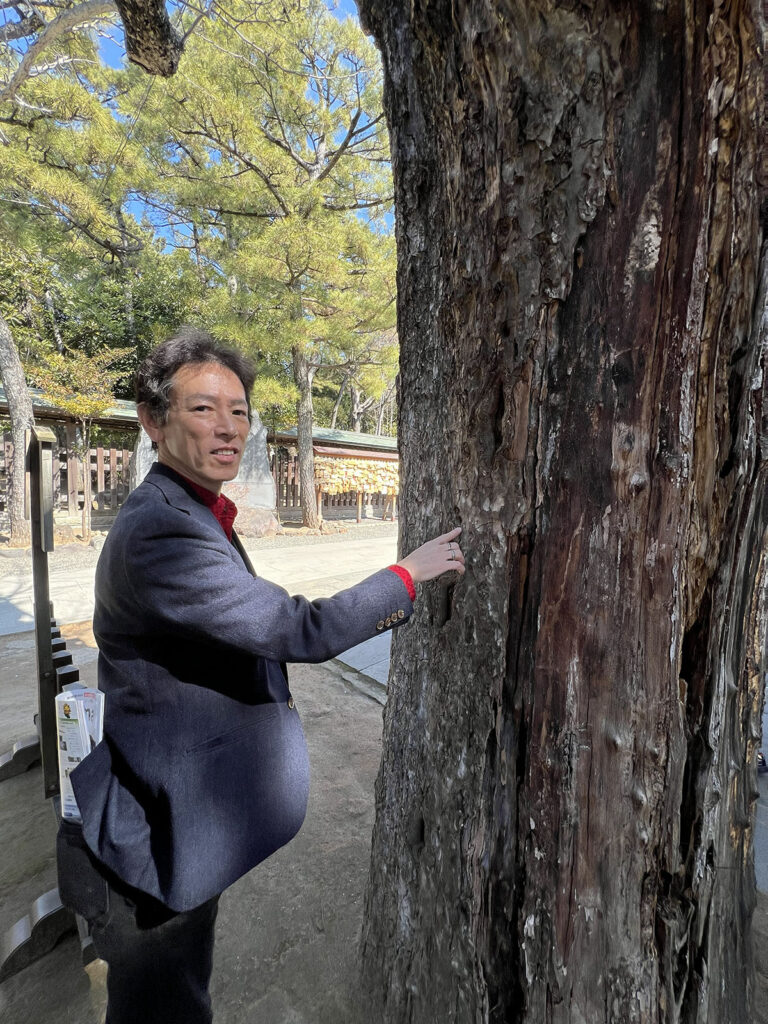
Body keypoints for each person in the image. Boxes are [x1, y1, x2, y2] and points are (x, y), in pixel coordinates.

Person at [62, 326, 464, 1024]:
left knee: (182, 980)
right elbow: (295, 628)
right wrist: (405, 575)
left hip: (173, 812)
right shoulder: (160, 528)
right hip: (152, 830)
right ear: (154, 420)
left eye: (239, 411)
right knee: (163, 1000)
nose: (228, 428)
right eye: (203, 408)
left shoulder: (186, 507)